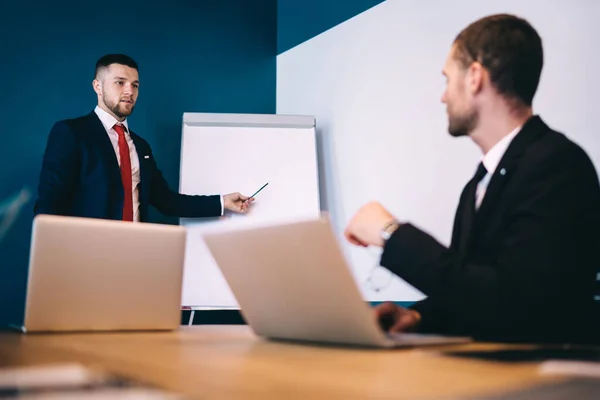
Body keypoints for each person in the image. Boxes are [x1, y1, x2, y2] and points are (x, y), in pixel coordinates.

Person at [344, 14, 600, 343]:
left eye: (448, 79)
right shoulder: (478, 184)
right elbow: (471, 290)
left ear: (475, 77)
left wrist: (391, 234)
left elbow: (516, 304)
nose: (443, 96)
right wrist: (419, 316)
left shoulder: (558, 166)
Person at [34, 54, 254, 222]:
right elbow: (50, 203)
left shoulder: (140, 146)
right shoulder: (71, 133)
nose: (129, 91)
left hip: (137, 253)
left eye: (135, 85)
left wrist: (222, 202)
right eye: (120, 82)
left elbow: (166, 202)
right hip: (86, 258)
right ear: (97, 86)